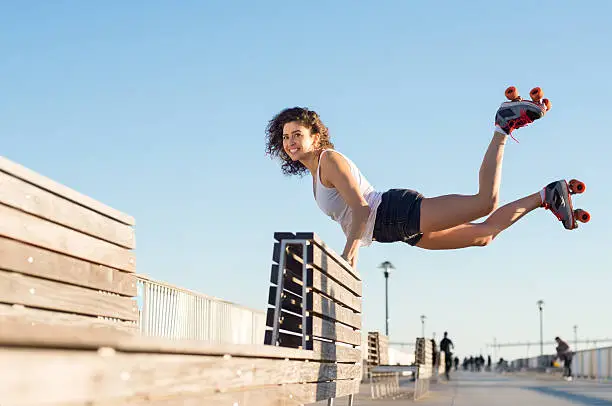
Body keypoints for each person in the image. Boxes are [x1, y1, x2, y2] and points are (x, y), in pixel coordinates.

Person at [265, 90, 575, 269]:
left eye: (298, 135)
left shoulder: (328, 160)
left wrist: (348, 256)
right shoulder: (314, 176)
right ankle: (546, 196)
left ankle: (502, 127)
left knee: (484, 202)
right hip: (393, 229)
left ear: (316, 137)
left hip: (394, 212)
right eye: (286, 137)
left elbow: (360, 210)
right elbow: (352, 218)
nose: (290, 142)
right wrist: (355, 254)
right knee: (484, 236)